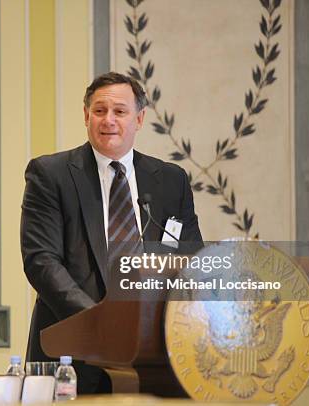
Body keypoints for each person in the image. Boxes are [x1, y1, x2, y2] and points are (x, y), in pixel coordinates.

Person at [20, 72, 203, 393]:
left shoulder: (171, 180)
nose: (109, 120)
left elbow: (192, 260)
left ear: (139, 119)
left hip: (155, 353)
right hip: (74, 351)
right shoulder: (51, 174)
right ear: (86, 115)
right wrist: (99, 322)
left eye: (120, 111)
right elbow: (42, 261)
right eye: (99, 110)